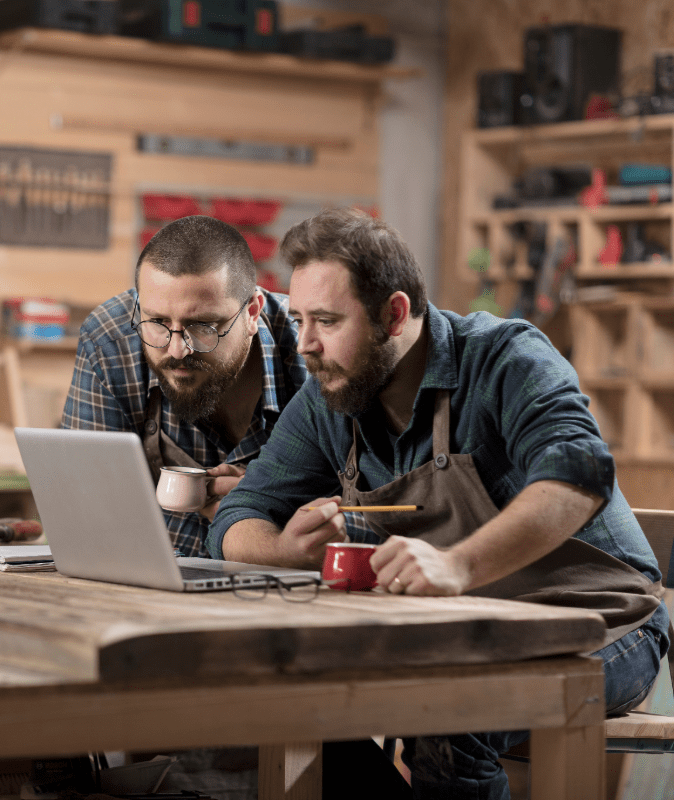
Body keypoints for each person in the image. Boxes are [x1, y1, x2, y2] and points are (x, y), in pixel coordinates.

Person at [209, 207, 671, 799]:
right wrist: (280, 548)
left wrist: (458, 565)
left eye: (326, 320)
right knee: (300, 695)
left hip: (601, 625)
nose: (307, 345)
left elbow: (578, 476)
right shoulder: (332, 394)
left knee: (456, 713)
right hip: (464, 633)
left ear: (395, 314)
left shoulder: (504, 357)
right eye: (299, 319)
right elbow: (236, 515)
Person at [61, 215, 307, 559]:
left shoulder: (311, 351)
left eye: (202, 326)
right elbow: (88, 512)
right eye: (158, 322)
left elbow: (355, 505)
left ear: (252, 312)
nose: (177, 350)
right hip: (151, 583)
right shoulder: (110, 341)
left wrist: (275, 503)